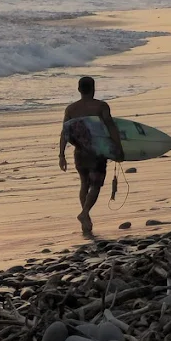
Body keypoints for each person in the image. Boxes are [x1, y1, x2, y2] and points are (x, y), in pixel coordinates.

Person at [59, 76, 124, 237]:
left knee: (84, 184)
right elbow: (111, 126)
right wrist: (118, 147)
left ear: (79, 89)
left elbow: (65, 133)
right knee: (95, 185)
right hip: (97, 153)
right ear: (94, 88)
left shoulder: (71, 109)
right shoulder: (101, 106)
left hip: (80, 152)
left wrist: (61, 155)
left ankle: (86, 219)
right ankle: (84, 213)